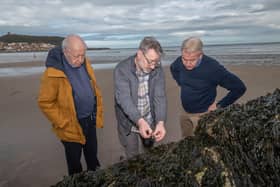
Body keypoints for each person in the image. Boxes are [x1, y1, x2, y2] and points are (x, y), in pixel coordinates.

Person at [37, 34, 104, 175]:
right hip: (70, 125)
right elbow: (45, 102)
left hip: (90, 120)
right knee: (74, 164)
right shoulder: (52, 73)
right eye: (76, 56)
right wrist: (63, 122)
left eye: (83, 55)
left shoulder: (85, 62)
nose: (80, 60)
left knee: (92, 156)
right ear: (66, 51)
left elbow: (92, 86)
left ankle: (96, 178)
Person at [170, 37, 246, 137]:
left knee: (201, 146)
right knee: (185, 142)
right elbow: (173, 68)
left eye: (192, 60)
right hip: (184, 112)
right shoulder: (179, 61)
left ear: (200, 55)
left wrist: (220, 105)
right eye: (185, 59)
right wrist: (182, 84)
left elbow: (239, 87)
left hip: (203, 115)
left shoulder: (213, 68)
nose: (187, 64)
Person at [114, 36, 167, 159]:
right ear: (139, 54)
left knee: (149, 151)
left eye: (156, 62)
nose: (153, 66)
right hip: (129, 123)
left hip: (150, 119)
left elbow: (160, 96)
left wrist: (160, 122)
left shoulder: (157, 69)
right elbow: (124, 99)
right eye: (150, 61)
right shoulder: (122, 69)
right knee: (132, 155)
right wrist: (140, 121)